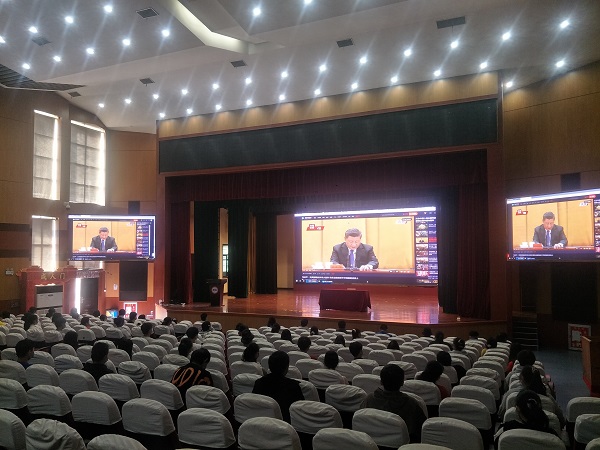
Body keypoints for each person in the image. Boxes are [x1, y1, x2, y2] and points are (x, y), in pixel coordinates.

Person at [362, 364, 427, 443]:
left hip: (371, 442)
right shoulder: (412, 404)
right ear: (402, 382)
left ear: (381, 382)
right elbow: (421, 431)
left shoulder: (369, 399)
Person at [252, 351, 304, 423]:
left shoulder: (258, 383)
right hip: (286, 424)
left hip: (261, 421)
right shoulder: (294, 386)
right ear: (286, 368)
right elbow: (300, 410)